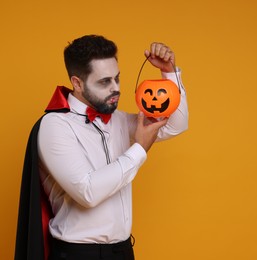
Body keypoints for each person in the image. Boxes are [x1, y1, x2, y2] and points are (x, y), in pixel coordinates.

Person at [15, 35, 188, 260]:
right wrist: (139, 149)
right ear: (77, 83)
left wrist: (169, 73)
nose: (116, 89)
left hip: (122, 251)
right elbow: (87, 192)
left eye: (117, 78)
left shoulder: (119, 120)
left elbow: (177, 125)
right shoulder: (54, 126)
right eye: (104, 82)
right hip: (78, 255)